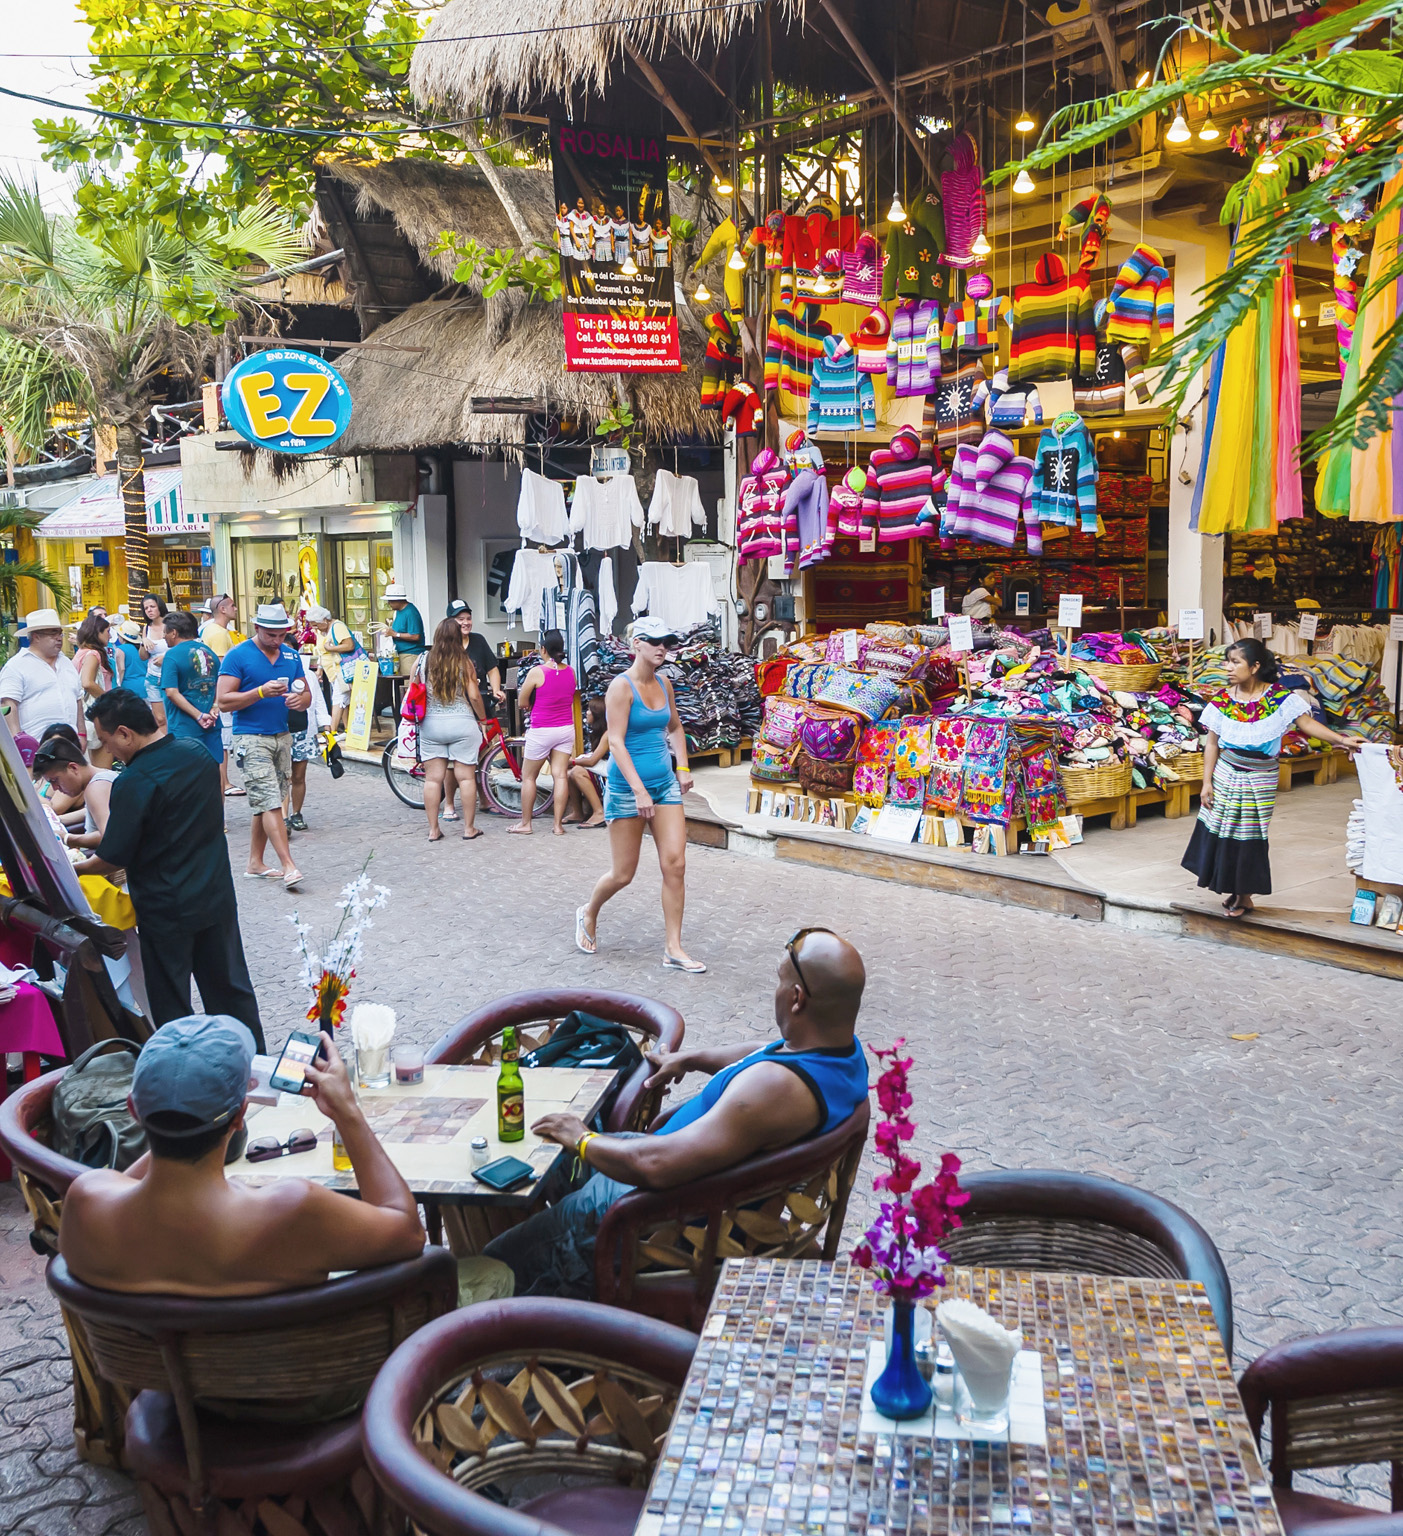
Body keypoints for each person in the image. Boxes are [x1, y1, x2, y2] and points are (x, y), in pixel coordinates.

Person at [485, 929, 870, 1299]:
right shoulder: (840, 1053)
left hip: (655, 1215)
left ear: (797, 998)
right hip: (677, 1175)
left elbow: (655, 1165)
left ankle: (523, 1323)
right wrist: (692, 1059)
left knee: (495, 1263)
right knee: (543, 1164)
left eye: (779, 981)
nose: (777, 990)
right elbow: (765, 1050)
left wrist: (583, 1138)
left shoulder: (772, 1089)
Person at [56, 1016, 429, 1297]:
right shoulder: (291, 1211)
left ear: (133, 1111)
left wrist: (169, 1114)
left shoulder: (86, 1202)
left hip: (155, 1389)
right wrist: (347, 1111)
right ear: (239, 1116)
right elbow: (408, 1232)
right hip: (303, 1393)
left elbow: (135, 1185)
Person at [74, 690, 265, 1048]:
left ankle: (182, 1078)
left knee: (171, 1003)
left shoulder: (133, 781)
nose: (107, 750)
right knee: (231, 992)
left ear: (126, 733)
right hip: (214, 896)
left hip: (166, 908)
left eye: (106, 740)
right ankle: (254, 1064)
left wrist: (74, 870)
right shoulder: (197, 754)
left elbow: (114, 856)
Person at [1182, 636, 1363, 918]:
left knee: (1251, 832)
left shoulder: (1280, 699)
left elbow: (1307, 724)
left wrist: (1341, 740)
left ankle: (1244, 895)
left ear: (1254, 666)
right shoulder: (1221, 700)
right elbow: (1213, 743)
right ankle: (1233, 890)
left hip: (1261, 775)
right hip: (1226, 772)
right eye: (1227, 661)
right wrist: (1206, 783)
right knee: (1224, 829)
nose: (1228, 667)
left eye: (1235, 662)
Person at [575, 617, 701, 972]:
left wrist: (684, 767)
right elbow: (614, 740)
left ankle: (673, 948)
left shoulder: (664, 684)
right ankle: (588, 912)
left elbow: (674, 726)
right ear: (637, 645)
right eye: (655, 641)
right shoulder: (621, 687)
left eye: (667, 641)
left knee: (675, 864)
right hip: (627, 789)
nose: (662, 647)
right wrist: (638, 790)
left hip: (663, 787)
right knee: (623, 874)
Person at [216, 602, 311, 891]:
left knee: (265, 801)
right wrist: (259, 692)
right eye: (271, 634)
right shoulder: (238, 656)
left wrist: (300, 701)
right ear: (257, 628)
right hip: (250, 737)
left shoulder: (291, 655)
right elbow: (223, 701)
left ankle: (255, 863)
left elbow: (305, 692)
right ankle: (288, 865)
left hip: (281, 735)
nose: (277, 640)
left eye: (282, 634)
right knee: (270, 801)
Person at [416, 616, 486, 843]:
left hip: (432, 725)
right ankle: (469, 828)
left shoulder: (423, 660)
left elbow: (414, 690)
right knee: (466, 778)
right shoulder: (463, 661)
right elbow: (474, 695)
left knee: (433, 780)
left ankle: (433, 830)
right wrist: (483, 719)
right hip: (462, 722)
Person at [510, 630, 577, 837]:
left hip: (541, 730)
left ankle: (526, 824)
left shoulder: (537, 672)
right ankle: (558, 826)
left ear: (543, 649)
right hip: (566, 729)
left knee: (529, 777)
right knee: (560, 776)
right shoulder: (571, 671)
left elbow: (522, 702)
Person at [0, 608, 85, 741]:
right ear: (36, 636)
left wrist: (82, 734)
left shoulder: (66, 663)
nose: (59, 638)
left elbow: (78, 699)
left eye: (60, 633)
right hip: (37, 746)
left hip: (71, 745)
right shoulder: (16, 666)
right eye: (53, 633)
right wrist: (19, 741)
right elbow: (8, 704)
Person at [160, 610, 223, 766]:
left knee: (187, 774)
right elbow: (219, 684)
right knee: (213, 771)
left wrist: (199, 716)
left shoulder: (172, 655)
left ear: (174, 632)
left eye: (165, 632)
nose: (163, 636)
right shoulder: (210, 652)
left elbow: (171, 692)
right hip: (212, 724)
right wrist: (214, 707)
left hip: (184, 727)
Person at [32, 735, 116, 851]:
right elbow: (94, 812)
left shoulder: (96, 788)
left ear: (73, 768)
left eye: (55, 780)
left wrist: (67, 838)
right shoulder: (105, 778)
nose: (55, 788)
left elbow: (110, 838)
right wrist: (58, 820)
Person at [200, 593, 245, 798]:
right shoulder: (218, 633)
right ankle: (224, 782)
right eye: (233, 605)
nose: (236, 608)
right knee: (223, 742)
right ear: (223, 609)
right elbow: (222, 667)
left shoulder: (215, 630)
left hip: (215, 695)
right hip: (219, 696)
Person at [287, 646, 331, 832]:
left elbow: (318, 702)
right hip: (278, 730)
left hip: (303, 729)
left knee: (298, 775)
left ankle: (296, 814)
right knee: (281, 777)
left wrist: (326, 728)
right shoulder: (268, 672)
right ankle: (281, 819)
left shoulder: (307, 674)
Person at [307, 604, 358, 736]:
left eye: (316, 624)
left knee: (338, 699)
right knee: (343, 700)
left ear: (325, 620)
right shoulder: (321, 631)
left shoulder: (337, 627)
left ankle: (332, 730)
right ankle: (348, 729)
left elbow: (349, 645)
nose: (314, 628)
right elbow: (322, 652)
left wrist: (331, 648)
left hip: (342, 670)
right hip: (332, 672)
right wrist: (320, 669)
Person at [73, 613, 114, 765]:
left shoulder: (80, 653)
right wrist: (109, 700)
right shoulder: (93, 654)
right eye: (107, 631)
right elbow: (87, 683)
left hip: (84, 717)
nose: (110, 636)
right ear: (97, 632)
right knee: (103, 772)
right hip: (98, 715)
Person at [566, 697, 609, 829]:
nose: (587, 713)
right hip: (604, 770)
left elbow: (592, 761)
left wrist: (572, 761)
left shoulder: (608, 734)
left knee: (577, 771)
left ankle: (599, 812)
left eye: (590, 710)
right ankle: (578, 812)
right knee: (569, 773)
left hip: (612, 775)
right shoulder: (599, 732)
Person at [138, 593, 169, 729]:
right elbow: (143, 656)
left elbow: (181, 648)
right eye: (146, 608)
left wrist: (166, 658)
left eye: (152, 606)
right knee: (159, 718)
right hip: (152, 676)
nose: (149, 610)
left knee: (171, 714)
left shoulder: (170, 624)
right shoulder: (146, 628)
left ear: (159, 607)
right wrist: (143, 642)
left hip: (169, 675)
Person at [380, 582, 425, 657]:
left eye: (390, 601)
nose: (388, 603)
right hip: (401, 652)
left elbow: (415, 636)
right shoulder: (398, 611)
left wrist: (395, 634)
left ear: (398, 600)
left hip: (410, 654)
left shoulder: (410, 612)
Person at [113, 618, 144, 692]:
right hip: (145, 685)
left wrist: (117, 687)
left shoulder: (121, 649)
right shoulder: (142, 649)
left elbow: (121, 669)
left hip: (129, 687)